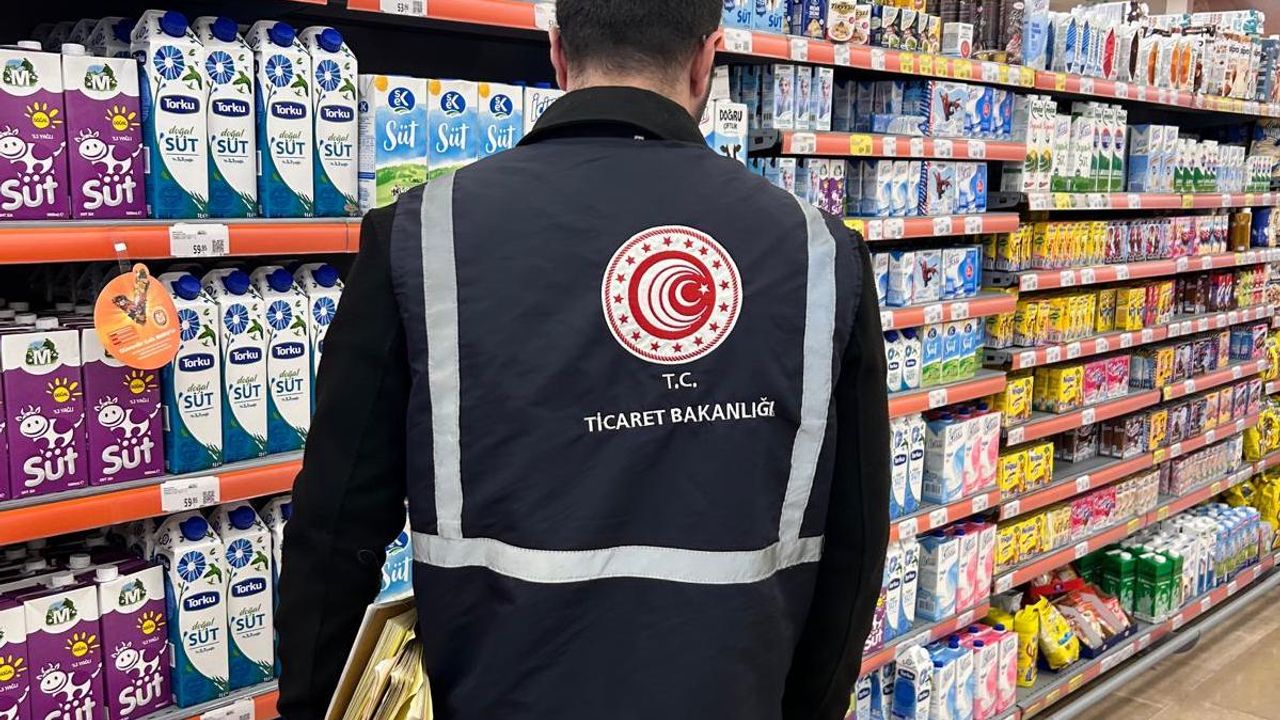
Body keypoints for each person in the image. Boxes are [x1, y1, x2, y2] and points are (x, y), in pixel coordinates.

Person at [275, 1, 890, 718]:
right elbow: (854, 545)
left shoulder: (421, 235)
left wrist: (309, 705)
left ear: (558, 53)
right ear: (707, 59)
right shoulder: (820, 253)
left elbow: (335, 528)